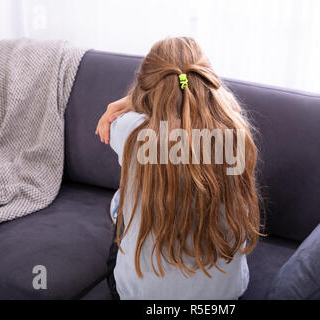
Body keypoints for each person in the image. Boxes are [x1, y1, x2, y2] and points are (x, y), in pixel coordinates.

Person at [95, 36, 262, 300]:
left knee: (123, 201)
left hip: (142, 295)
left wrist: (123, 102)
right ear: (207, 80)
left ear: (147, 86)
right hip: (225, 294)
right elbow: (227, 105)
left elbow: (135, 108)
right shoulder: (236, 133)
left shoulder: (130, 131)